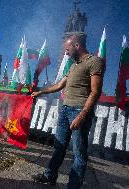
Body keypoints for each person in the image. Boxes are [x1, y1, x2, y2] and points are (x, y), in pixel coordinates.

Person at [31, 34, 105, 189]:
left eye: (67, 48)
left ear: (77, 45)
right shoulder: (73, 66)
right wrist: (40, 92)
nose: (66, 52)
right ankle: (49, 176)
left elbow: (95, 91)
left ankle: (73, 186)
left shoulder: (94, 61)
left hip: (79, 111)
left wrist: (82, 115)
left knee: (79, 154)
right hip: (65, 110)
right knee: (59, 146)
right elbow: (59, 85)